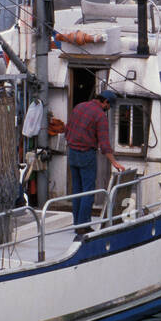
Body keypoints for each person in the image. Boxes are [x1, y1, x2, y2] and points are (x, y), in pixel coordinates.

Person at [65, 89, 123, 227]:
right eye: (109, 107)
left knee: (76, 190)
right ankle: (83, 226)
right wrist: (114, 162)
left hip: (72, 153)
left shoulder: (79, 106)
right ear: (105, 102)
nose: (108, 110)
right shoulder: (100, 116)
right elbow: (104, 144)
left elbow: (67, 129)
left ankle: (76, 224)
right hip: (86, 155)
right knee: (88, 191)